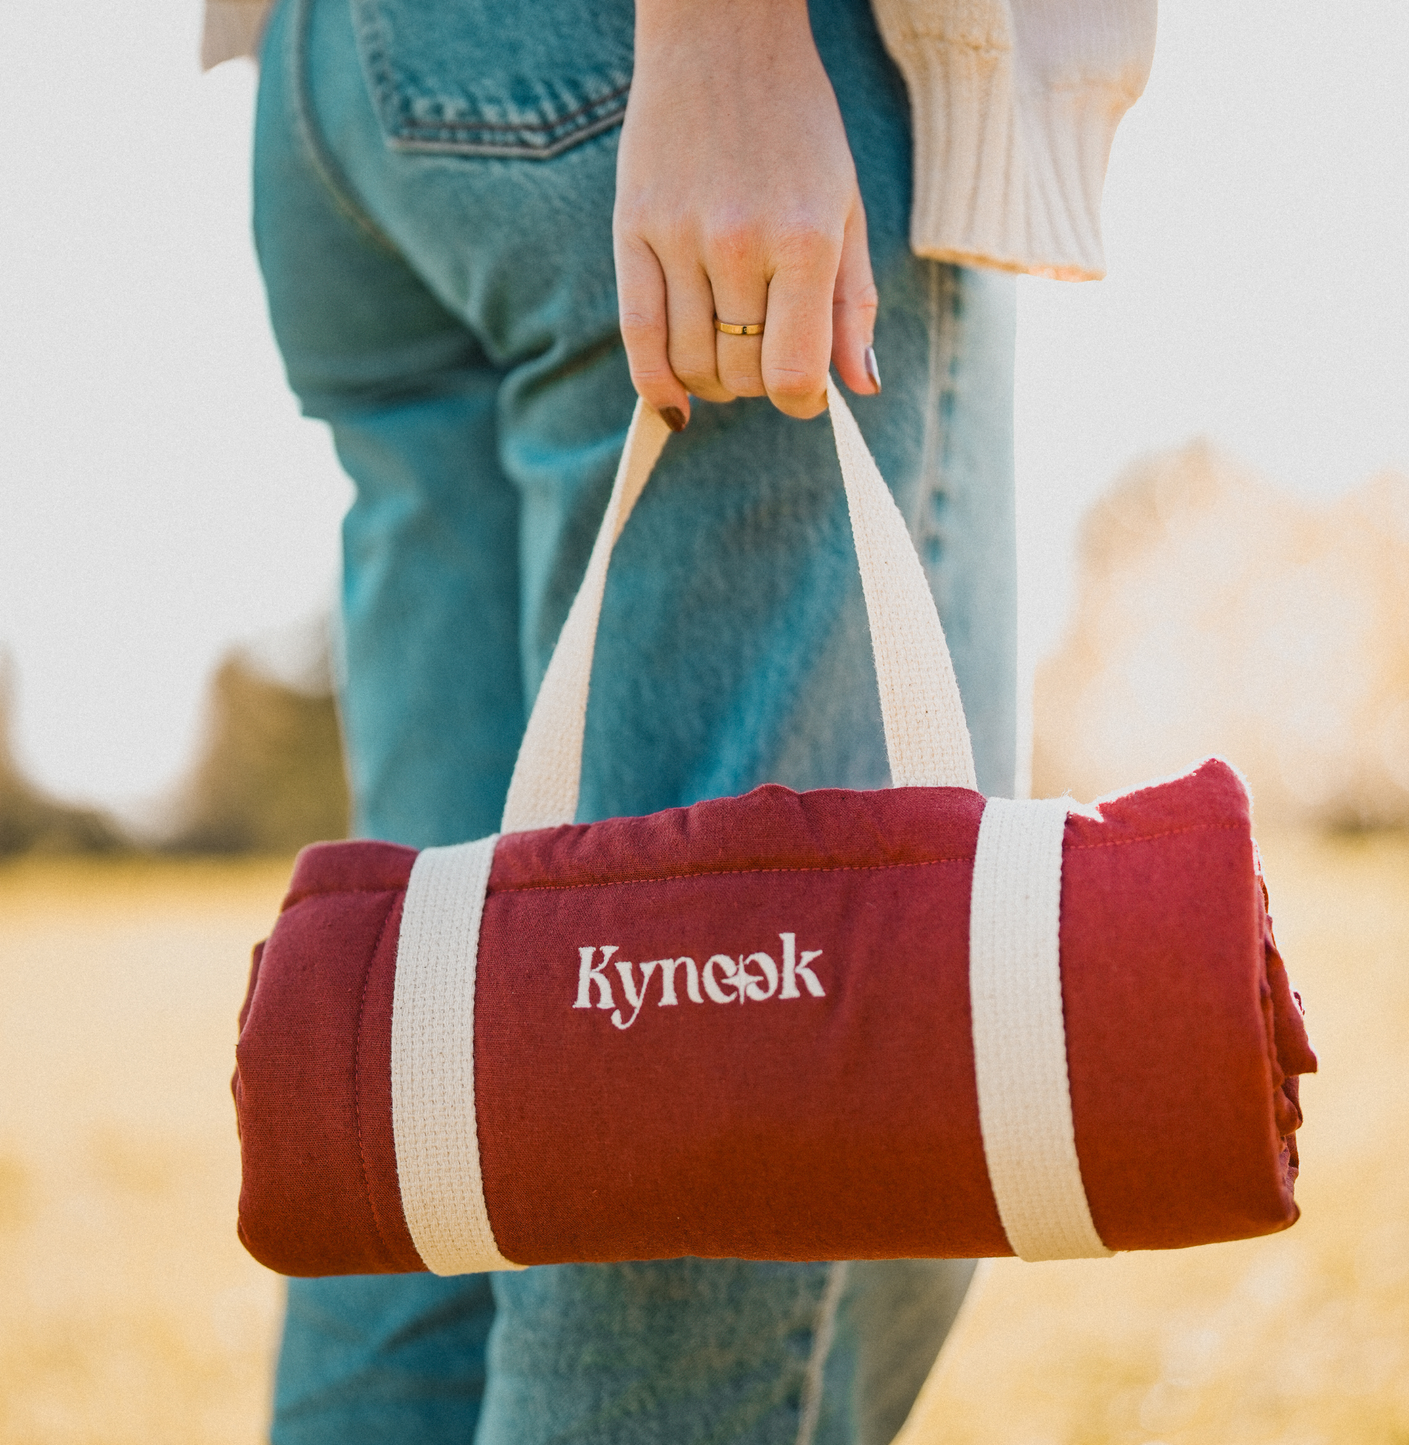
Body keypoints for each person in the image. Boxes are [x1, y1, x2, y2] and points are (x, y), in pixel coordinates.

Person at [232, 0, 1155, 1438]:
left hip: (350, 81)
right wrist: (724, 41)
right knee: (738, 1152)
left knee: (428, 1105)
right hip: (664, 67)